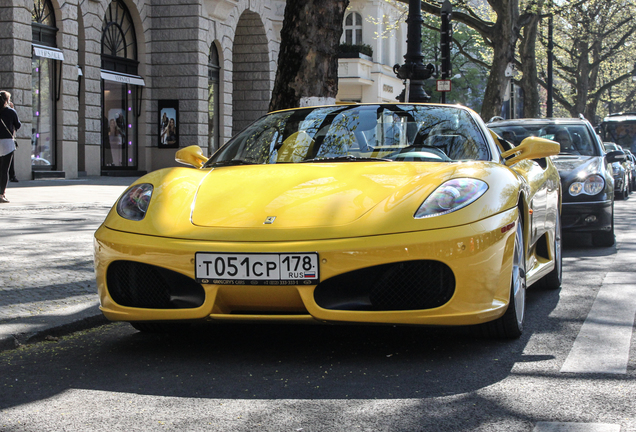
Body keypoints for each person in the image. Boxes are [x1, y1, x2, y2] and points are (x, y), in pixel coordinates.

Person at [0, 90, 21, 203]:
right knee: (4, 170)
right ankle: (1, 194)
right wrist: (12, 109)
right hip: (7, 143)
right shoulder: (10, 111)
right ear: (7, 100)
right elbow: (17, 125)